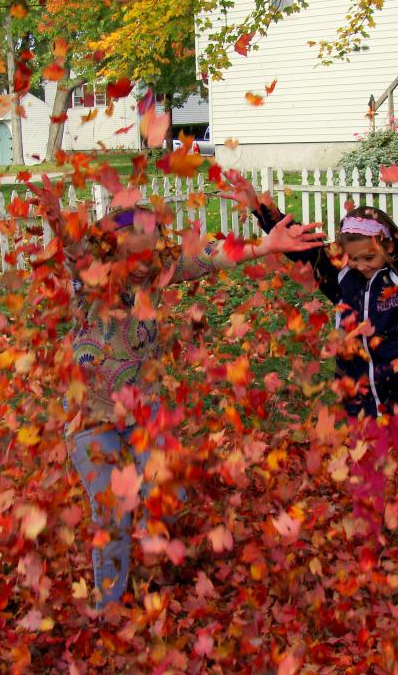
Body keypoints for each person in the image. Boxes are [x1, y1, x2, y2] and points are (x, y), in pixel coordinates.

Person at [36, 173, 326, 608]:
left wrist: (264, 247)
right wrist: (58, 218)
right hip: (91, 418)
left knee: (161, 495)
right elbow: (73, 247)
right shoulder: (89, 276)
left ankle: (160, 572)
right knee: (112, 515)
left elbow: (208, 256)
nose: (152, 238)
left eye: (153, 232)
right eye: (139, 232)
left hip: (145, 414)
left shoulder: (157, 271)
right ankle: (108, 604)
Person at [225, 168, 398, 542]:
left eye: (367, 257)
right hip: (361, 397)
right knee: (367, 471)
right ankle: (367, 533)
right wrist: (259, 207)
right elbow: (302, 248)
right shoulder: (342, 280)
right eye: (352, 259)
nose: (360, 266)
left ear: (387, 246)